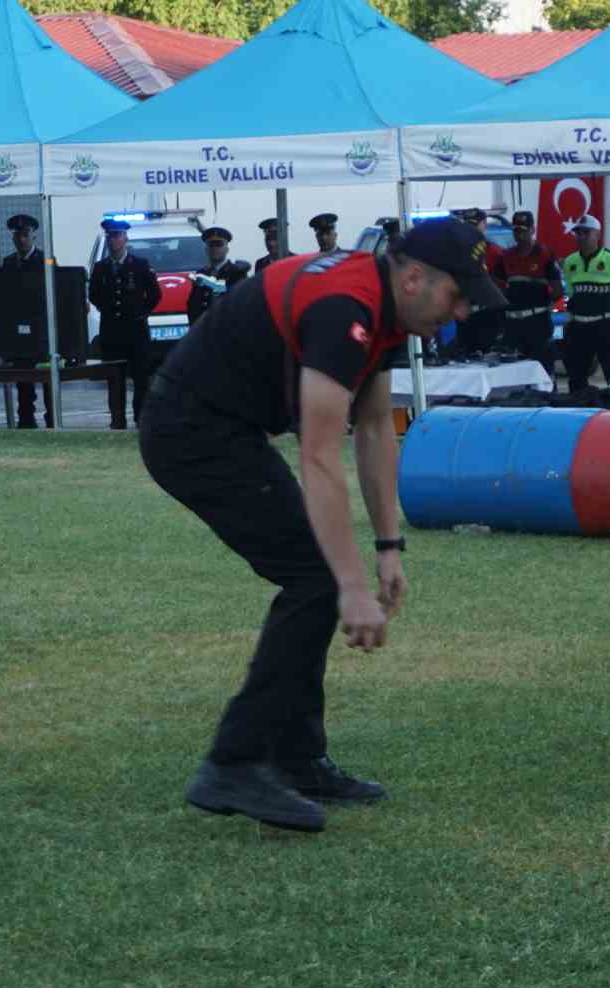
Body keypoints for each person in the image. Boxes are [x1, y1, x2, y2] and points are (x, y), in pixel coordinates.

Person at [138, 217, 508, 832]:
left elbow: (372, 428)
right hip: (191, 431)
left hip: (226, 427)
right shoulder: (346, 307)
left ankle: (298, 758)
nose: (463, 312)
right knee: (317, 577)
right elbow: (318, 453)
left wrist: (389, 547)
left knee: (317, 575)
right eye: (457, 294)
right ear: (414, 276)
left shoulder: (387, 303)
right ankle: (233, 762)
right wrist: (354, 586)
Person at [87, 218, 162, 427]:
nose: (113, 240)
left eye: (117, 236)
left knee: (141, 380)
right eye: (110, 236)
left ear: (125, 238)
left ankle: (141, 420)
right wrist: (107, 309)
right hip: (112, 332)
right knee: (115, 379)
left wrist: (140, 312)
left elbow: (155, 295)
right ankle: (117, 420)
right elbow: (93, 293)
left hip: (136, 332)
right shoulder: (101, 268)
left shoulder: (140, 265)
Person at [495, 210, 562, 380]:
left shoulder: (545, 254)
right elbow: (499, 289)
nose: (520, 234)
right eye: (516, 230)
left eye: (524, 230)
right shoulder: (506, 256)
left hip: (537, 324)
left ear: (533, 230)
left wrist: (544, 306)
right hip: (513, 325)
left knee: (543, 371)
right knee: (514, 372)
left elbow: (557, 290)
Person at [559, 215, 610, 393]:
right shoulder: (570, 261)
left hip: (606, 326)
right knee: (576, 376)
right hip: (579, 327)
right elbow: (572, 293)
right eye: (578, 233)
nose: (581, 237)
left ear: (597, 234)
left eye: (586, 233)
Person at [4, 214, 55, 429]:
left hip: (41, 330)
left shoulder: (45, 261)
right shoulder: (9, 263)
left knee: (47, 378)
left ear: (33, 235)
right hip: (18, 332)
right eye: (17, 236)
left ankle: (52, 417)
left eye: (25, 235)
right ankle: (26, 418)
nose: (21, 240)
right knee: (23, 379)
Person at [451, 208, 503, 355]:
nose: (470, 229)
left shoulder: (494, 252)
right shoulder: (456, 253)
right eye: (467, 225)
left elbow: (503, 286)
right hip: (464, 318)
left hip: (488, 317)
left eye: (474, 225)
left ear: (484, 225)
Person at [185, 226, 250, 327]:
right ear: (206, 249)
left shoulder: (236, 273)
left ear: (227, 249)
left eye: (219, 244)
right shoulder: (201, 273)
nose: (215, 248)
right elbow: (193, 305)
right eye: (211, 244)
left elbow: (240, 305)